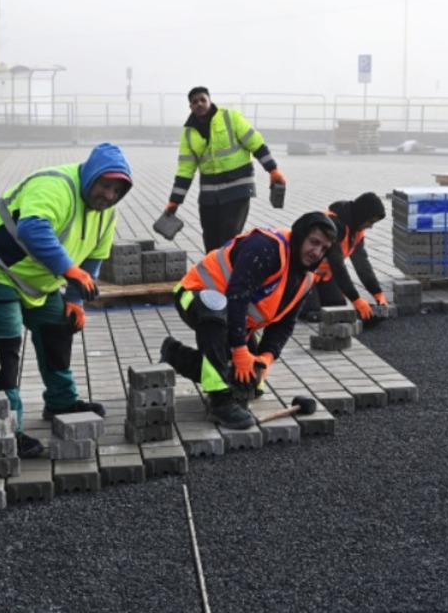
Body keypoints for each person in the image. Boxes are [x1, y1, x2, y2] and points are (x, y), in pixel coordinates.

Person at [0, 143, 133, 457]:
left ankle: (61, 402)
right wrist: (69, 270)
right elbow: (33, 228)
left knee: (58, 327)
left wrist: (75, 300)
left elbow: (94, 257)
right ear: (91, 176)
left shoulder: (106, 214)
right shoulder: (56, 185)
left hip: (33, 279)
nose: (108, 195)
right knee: (7, 346)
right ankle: (6, 426)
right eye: (104, 185)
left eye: (116, 191)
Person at [159, 211, 338, 430]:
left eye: (324, 248)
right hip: (195, 296)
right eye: (314, 242)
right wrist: (240, 349)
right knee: (214, 310)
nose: (316, 252)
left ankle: (175, 354)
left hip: (232, 318)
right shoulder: (265, 248)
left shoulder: (306, 279)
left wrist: (265, 358)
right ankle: (219, 402)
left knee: (245, 383)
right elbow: (237, 296)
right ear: (300, 235)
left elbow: (284, 325)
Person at [160, 86, 287, 252]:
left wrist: (273, 170)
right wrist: (174, 201)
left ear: (210, 101)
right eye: (195, 102)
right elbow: (185, 169)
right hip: (209, 197)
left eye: (202, 99)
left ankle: (229, 268)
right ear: (190, 107)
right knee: (210, 242)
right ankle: (214, 269)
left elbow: (255, 143)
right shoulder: (188, 133)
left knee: (228, 239)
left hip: (237, 190)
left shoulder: (230, 117)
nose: (199, 104)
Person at [299, 192, 389, 323]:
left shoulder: (356, 231)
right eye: (370, 221)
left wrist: (377, 293)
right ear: (362, 215)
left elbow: (362, 265)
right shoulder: (333, 226)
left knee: (338, 306)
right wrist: (356, 300)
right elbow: (338, 267)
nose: (371, 226)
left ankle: (314, 294)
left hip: (322, 276)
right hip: (301, 273)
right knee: (312, 313)